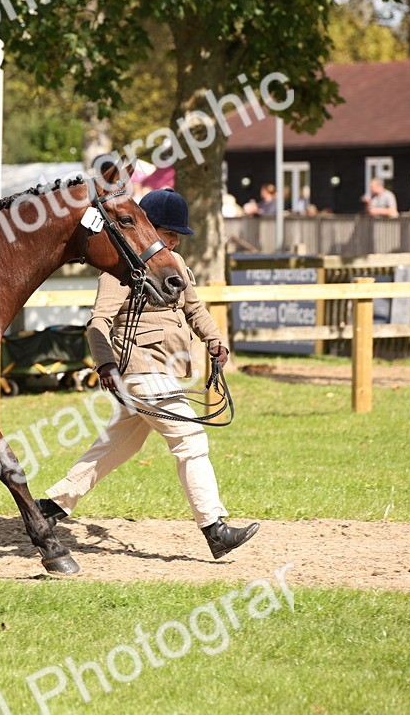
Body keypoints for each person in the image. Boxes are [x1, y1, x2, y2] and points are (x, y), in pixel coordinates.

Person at [35, 188, 260, 560]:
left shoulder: (176, 266)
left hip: (166, 370)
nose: (172, 242)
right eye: (167, 234)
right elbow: (99, 321)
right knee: (190, 440)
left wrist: (215, 341)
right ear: (146, 229)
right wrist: (105, 363)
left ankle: (51, 508)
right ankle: (214, 528)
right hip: (139, 367)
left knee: (119, 445)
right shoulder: (122, 267)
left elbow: (195, 309)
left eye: (176, 236)